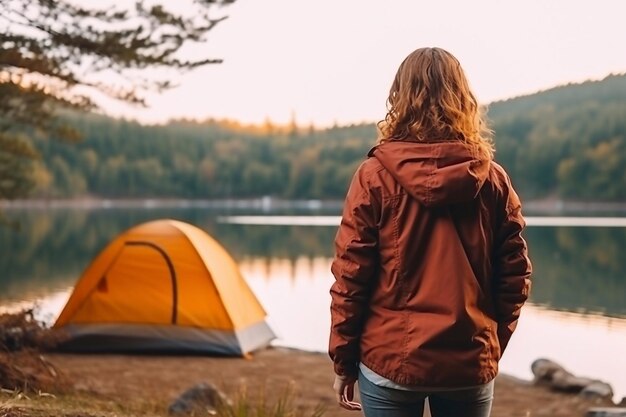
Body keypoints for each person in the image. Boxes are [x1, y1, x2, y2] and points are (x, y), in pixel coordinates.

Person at [328, 47, 532, 417]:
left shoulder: (374, 176)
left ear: (400, 99)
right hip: (469, 361)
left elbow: (350, 277)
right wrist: (489, 343)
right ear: (463, 98)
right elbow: (515, 278)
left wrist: (344, 360)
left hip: (390, 360)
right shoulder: (493, 180)